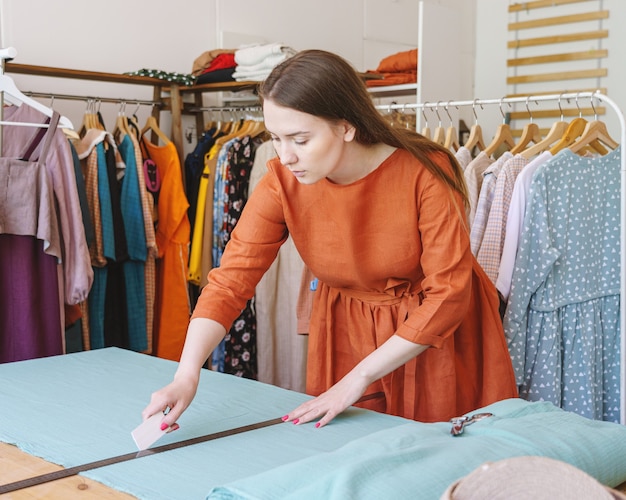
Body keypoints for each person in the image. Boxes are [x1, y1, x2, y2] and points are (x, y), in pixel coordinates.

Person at [142, 49, 518, 431]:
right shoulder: (283, 181)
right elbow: (231, 279)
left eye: (300, 139)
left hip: (431, 337)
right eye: (275, 137)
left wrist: (358, 378)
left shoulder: (425, 172)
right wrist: (187, 373)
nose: (285, 155)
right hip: (345, 332)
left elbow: (448, 295)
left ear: (346, 127)